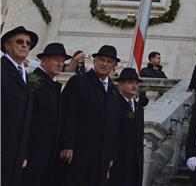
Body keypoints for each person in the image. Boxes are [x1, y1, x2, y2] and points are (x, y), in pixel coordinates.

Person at [59, 44, 121, 186]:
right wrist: (67, 144)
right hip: (78, 150)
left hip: (101, 155)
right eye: (102, 60)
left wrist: (111, 154)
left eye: (109, 61)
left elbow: (115, 125)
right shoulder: (78, 82)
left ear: (114, 66)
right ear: (94, 61)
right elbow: (67, 114)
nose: (105, 64)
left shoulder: (114, 91)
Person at [23, 42, 69, 186]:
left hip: (48, 152)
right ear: (43, 60)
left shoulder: (53, 85)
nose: (60, 64)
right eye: (56, 59)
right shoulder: (33, 82)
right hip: (32, 150)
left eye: (62, 61)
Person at [1, 25, 37, 186]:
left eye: (28, 43)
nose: (25, 45)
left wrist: (24, 151)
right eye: (20, 42)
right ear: (7, 46)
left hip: (16, 151)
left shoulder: (26, 77)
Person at [108, 68, 145, 186]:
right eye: (130, 82)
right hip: (117, 161)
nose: (134, 86)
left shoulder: (138, 108)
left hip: (135, 163)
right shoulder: (113, 102)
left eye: (136, 83)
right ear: (120, 84)